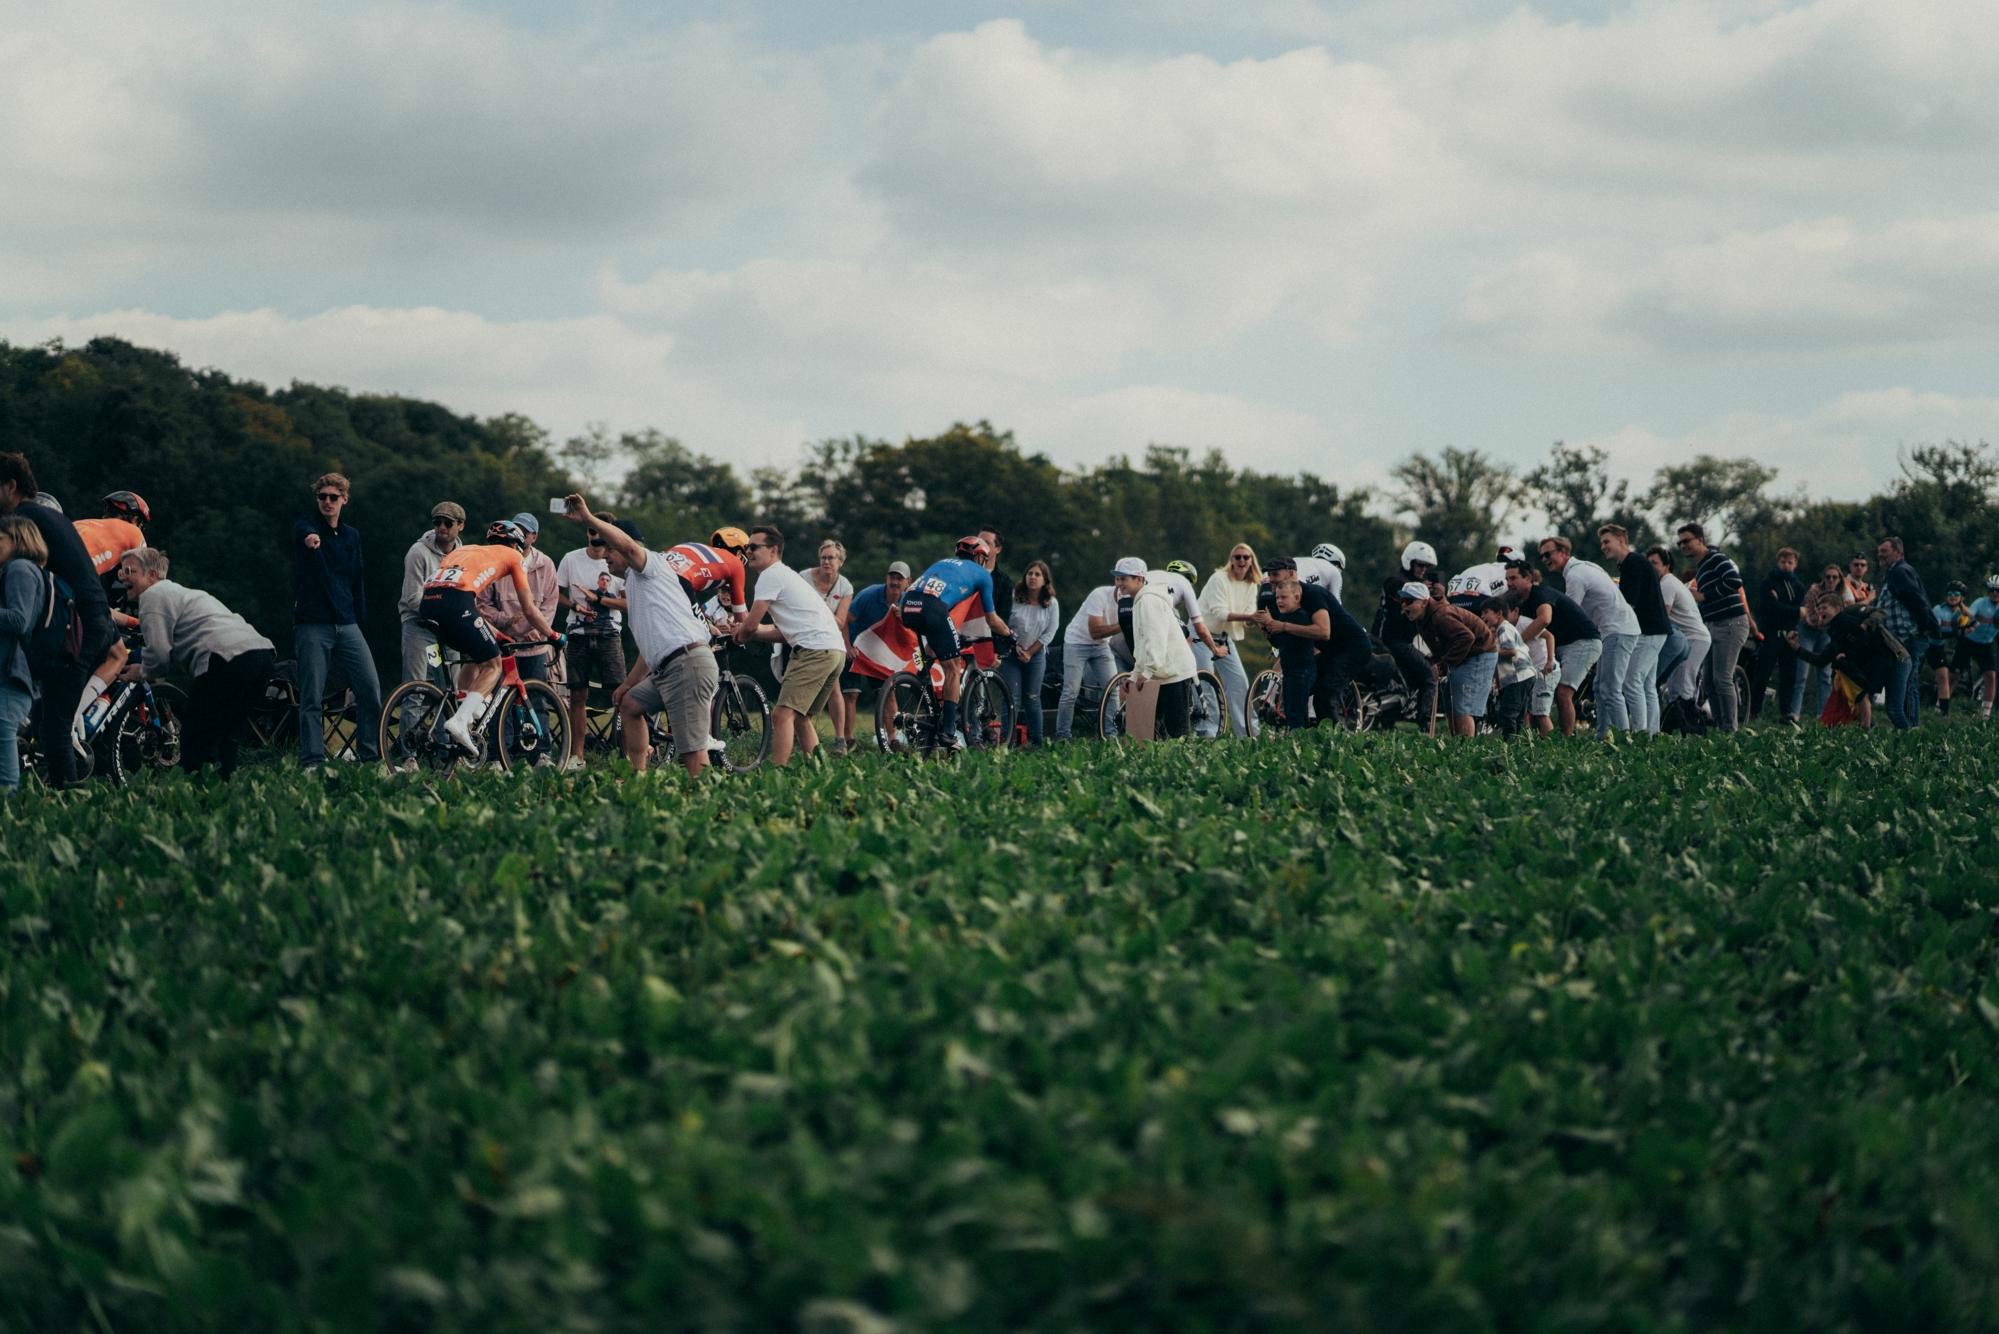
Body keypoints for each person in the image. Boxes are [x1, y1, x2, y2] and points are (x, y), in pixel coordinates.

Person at [563, 500, 717, 778]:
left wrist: (588, 518)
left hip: (687, 664)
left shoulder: (650, 565)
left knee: (691, 751)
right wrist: (628, 684)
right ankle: (638, 777)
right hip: (668, 666)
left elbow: (630, 548)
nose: (605, 555)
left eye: (610, 549)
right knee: (631, 704)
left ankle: (708, 805)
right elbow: (651, 648)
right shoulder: (633, 586)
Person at [0, 453, 117, 787]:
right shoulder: (45, 516)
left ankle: (69, 800)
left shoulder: (24, 519)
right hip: (87, 621)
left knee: (55, 727)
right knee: (45, 719)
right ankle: (49, 790)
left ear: (10, 486)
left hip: (77, 629)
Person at [115, 547, 276, 779]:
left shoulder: (153, 595)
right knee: (226, 736)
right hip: (261, 654)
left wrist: (139, 671)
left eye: (130, 570)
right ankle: (225, 796)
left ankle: (199, 799)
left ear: (152, 575)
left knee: (195, 739)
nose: (124, 577)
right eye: (121, 572)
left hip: (227, 658)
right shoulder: (181, 594)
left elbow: (159, 655)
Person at [419, 520, 561, 758]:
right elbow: (529, 609)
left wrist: (496, 634)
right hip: (457, 602)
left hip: (429, 603)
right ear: (516, 545)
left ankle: (466, 704)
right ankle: (461, 719)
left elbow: (469, 608)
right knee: (493, 664)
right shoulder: (514, 557)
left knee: (476, 652)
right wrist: (553, 635)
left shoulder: (465, 550)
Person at [735, 526, 849, 764]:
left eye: (754, 547)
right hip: (833, 650)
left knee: (782, 714)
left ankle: (778, 774)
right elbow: (786, 634)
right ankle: (820, 770)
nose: (749, 551)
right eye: (747, 547)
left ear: (774, 550)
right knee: (801, 718)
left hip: (815, 651)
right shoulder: (786, 575)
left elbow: (750, 625)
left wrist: (740, 634)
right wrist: (750, 633)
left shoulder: (770, 575)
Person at [291, 472, 383, 768]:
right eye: (322, 497)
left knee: (369, 690)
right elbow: (300, 528)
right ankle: (312, 761)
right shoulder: (308, 526)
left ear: (344, 499)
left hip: (347, 623)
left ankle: (369, 758)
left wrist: (360, 621)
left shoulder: (351, 536)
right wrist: (309, 538)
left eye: (333, 497)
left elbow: (358, 581)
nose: (327, 502)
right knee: (312, 696)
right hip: (312, 623)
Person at [897, 536, 1013, 751]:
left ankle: (921, 691)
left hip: (907, 604)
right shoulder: (982, 575)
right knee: (952, 667)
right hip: (932, 608)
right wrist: (1009, 634)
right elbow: (992, 619)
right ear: (979, 557)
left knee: (934, 648)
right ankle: (948, 733)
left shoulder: (942, 563)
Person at [68, 491, 152, 745]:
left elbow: (102, 605)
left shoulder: (85, 526)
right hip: (78, 596)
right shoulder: (133, 535)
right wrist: (145, 622)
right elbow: (149, 586)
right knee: (118, 655)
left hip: (52, 591)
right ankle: (70, 718)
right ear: (135, 520)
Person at [1540, 535, 1638, 737]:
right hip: (1616, 629)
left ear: (1564, 552)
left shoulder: (1576, 576)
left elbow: (1570, 615)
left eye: (1548, 554)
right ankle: (1603, 737)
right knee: (1601, 689)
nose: (1545, 559)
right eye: (1542, 557)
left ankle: (1625, 740)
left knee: (1610, 689)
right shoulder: (1585, 567)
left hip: (1616, 630)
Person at [554, 518, 627, 770]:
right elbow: (556, 593)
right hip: (578, 634)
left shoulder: (618, 562)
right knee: (577, 695)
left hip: (609, 634)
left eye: (601, 531)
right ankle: (577, 756)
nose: (595, 535)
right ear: (587, 531)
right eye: (592, 530)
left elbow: (628, 603)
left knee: (620, 695)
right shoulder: (571, 559)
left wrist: (599, 601)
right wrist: (575, 606)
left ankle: (626, 753)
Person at [1506, 559, 1600, 737]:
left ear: (1528, 578)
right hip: (1562, 645)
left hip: (1583, 641)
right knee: (1537, 690)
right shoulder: (1520, 602)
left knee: (1563, 692)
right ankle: (1538, 737)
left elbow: (1544, 619)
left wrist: (1517, 643)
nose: (1509, 583)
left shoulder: (1540, 593)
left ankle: (1565, 741)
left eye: (1513, 578)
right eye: (1507, 579)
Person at [1592, 525, 1669, 735]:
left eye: (1607, 541)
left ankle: (1639, 735)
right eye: (1602, 543)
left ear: (1622, 540)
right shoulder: (1633, 563)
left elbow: (1627, 605)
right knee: (1645, 684)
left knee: (1631, 681)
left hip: (1648, 630)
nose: (1603, 547)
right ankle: (1650, 735)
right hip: (1655, 629)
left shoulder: (1632, 563)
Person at [1398, 582, 1497, 738]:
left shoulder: (1441, 616)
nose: (1404, 606)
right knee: (1451, 704)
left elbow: (1466, 638)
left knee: (1462, 705)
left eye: (1409, 601)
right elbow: (1441, 645)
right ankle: (1457, 745)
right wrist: (1436, 662)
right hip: (1464, 655)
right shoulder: (1421, 619)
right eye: (1402, 601)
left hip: (1480, 652)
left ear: (1424, 602)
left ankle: (1467, 750)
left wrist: (1443, 665)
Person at [1676, 523, 1750, 732]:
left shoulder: (1716, 559)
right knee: (1708, 681)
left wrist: (1704, 596)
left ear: (1700, 539)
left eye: (1687, 541)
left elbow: (1734, 581)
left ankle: (1730, 729)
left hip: (1731, 623)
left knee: (1722, 678)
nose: (1683, 545)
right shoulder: (1701, 567)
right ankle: (1719, 724)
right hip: (1713, 624)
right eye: (1680, 543)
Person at [1788, 606, 1905, 728]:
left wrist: (1865, 625)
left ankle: (1904, 733)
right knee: (1858, 697)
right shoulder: (1835, 634)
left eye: (1824, 606)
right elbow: (1821, 660)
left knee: (1890, 707)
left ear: (1837, 608)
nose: (1819, 611)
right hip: (1864, 670)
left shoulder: (1849, 617)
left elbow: (1877, 617)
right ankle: (1867, 728)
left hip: (1893, 659)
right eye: (1818, 607)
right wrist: (1797, 649)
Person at [477, 513, 559, 684]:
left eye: (525, 532)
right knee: (500, 700)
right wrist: (507, 622)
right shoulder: (494, 563)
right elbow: (483, 604)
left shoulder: (546, 564)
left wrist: (537, 629)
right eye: (516, 530)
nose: (519, 534)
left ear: (534, 537)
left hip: (535, 646)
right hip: (504, 646)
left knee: (536, 699)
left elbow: (550, 604)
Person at [0, 514, 48, 794]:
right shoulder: (19, 569)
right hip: (12, 669)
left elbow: (20, 620)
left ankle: (9, 802)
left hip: (15, 671)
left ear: (17, 540)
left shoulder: (20, 568)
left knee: (3, 732)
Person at [1124, 560, 1198, 738]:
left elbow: (1156, 639)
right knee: (1153, 735)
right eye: (1118, 579)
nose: (1118, 584)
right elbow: (1142, 644)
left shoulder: (1149, 601)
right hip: (1161, 674)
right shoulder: (1140, 602)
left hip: (1175, 673)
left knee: (1177, 736)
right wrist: (1135, 675)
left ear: (1139, 579)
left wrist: (1147, 671)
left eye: (1123, 579)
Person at [1376, 540, 1442, 734]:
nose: (1423, 569)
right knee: (1429, 676)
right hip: (1394, 641)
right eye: (1420, 565)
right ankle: (1425, 725)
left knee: (1407, 678)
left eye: (1427, 566)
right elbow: (1406, 604)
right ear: (1409, 562)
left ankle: (1392, 717)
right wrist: (1424, 590)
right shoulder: (1396, 582)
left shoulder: (1406, 584)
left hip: (1394, 640)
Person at [841, 561, 912, 740]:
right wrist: (848, 647)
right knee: (851, 694)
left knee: (888, 692)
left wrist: (903, 619)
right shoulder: (869, 595)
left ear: (908, 582)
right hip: (855, 645)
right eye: (892, 577)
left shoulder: (910, 602)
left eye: (899, 578)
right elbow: (844, 620)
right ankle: (847, 740)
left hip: (878, 652)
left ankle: (893, 739)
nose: (895, 582)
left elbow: (912, 636)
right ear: (886, 578)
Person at [398, 501, 464, 689]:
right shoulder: (418, 552)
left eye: (448, 523)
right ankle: (411, 719)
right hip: (419, 625)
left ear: (460, 525)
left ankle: (446, 718)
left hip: (449, 628)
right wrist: (444, 613)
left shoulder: (463, 555)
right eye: (437, 522)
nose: (441, 527)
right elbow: (412, 598)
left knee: (452, 690)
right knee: (415, 689)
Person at [1197, 543, 1260, 736]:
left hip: (1224, 637)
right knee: (1207, 682)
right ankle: (1208, 734)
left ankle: (1249, 734)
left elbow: (1248, 614)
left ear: (1251, 561)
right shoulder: (1219, 579)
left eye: (1245, 557)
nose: (1241, 561)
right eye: (1237, 557)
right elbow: (1220, 613)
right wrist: (1250, 617)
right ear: (1231, 560)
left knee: (1239, 683)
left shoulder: (1252, 584)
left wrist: (1258, 620)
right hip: (1201, 633)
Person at [1252, 574, 1327, 729]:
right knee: (1291, 710)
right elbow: (1280, 643)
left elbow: (1291, 639)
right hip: (1290, 671)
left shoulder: (1300, 616)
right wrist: (1267, 628)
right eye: (1277, 597)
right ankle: (1296, 739)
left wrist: (1272, 623)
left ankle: (1301, 741)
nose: (1279, 601)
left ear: (1297, 597)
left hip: (1302, 671)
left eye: (1283, 597)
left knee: (1297, 712)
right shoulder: (1286, 617)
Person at [1649, 546, 1711, 733]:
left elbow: (1663, 616)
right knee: (1675, 688)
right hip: (1689, 638)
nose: (1651, 567)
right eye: (1648, 563)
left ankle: (1693, 729)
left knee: (1683, 687)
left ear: (1667, 565)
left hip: (1694, 638)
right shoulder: (1669, 582)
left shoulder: (1667, 583)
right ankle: (1676, 728)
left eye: (1655, 563)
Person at [1873, 535, 1931, 730]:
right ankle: (1907, 726)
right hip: (1901, 639)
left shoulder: (1901, 571)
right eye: (1879, 551)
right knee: (1905, 682)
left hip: (1909, 638)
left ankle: (1911, 728)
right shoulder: (1892, 572)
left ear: (1897, 552)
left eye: (1884, 552)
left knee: (1908, 683)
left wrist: (1922, 629)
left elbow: (1918, 602)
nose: (1880, 555)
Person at [999, 561, 1058, 745]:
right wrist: (1016, 646)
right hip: (1011, 652)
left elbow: (1050, 631)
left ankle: (1037, 742)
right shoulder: (1015, 597)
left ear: (1045, 580)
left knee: (1032, 697)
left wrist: (1030, 652)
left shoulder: (1051, 604)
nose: (1032, 577)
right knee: (1011, 697)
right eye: (1030, 573)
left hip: (1036, 653)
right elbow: (1004, 622)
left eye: (1037, 574)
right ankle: (1007, 741)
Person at [1749, 548, 1807, 724]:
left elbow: (1802, 611)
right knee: (1763, 672)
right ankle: (1754, 710)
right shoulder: (1769, 582)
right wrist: (1794, 610)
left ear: (1795, 564)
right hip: (1771, 632)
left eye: (1790, 562)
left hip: (1790, 633)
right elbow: (1770, 608)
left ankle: (1786, 712)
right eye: (1783, 562)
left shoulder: (1798, 586)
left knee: (1789, 675)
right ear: (1778, 562)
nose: (1786, 566)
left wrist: (1790, 609)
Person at [1057, 579, 1119, 741]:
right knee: (1071, 692)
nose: (1122, 583)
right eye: (1119, 579)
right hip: (1077, 642)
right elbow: (1095, 632)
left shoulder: (1137, 601)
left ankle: (1110, 735)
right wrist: (1124, 624)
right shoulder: (1099, 595)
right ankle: (1063, 736)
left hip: (1101, 646)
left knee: (1112, 688)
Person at [812, 540, 857, 750]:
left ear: (840, 562)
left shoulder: (845, 586)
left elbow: (840, 621)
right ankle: (802, 732)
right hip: (803, 638)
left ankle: (840, 739)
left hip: (829, 640)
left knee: (834, 687)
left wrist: (818, 608)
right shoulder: (804, 578)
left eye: (831, 558)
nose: (826, 562)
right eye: (823, 557)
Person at [1479, 596, 1537, 736]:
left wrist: (1490, 651)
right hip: (1524, 676)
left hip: (1518, 676)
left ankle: (1509, 744)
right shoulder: (1503, 629)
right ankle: (1519, 744)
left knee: (1508, 714)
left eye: (1486, 612)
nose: (1482, 616)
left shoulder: (1503, 628)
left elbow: (1511, 651)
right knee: (1518, 715)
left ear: (1498, 613)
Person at [1798, 563, 1847, 718]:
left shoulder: (1842, 594)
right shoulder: (1814, 591)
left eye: (1835, 577)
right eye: (1828, 577)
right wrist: (1818, 621)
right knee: (1802, 674)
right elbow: (1807, 612)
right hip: (1808, 630)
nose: (1831, 580)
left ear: (1840, 579)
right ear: (1823, 578)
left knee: (1825, 675)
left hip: (1826, 633)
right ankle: (1794, 712)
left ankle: (1823, 714)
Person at [1929, 582, 1976, 717]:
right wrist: (1958, 633)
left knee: (1947, 676)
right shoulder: (1938, 610)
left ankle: (1943, 713)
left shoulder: (1962, 613)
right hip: (1929, 645)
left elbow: (1975, 624)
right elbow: (1936, 633)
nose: (1953, 597)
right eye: (1950, 594)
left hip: (1940, 646)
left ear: (1962, 598)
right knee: (1942, 675)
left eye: (1957, 594)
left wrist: (1969, 625)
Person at [1968, 575, 1999, 721]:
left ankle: (1985, 713)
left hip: (1987, 644)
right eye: (1992, 590)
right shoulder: (1980, 602)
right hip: (1970, 641)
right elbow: (1970, 614)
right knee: (1955, 674)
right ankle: (1942, 706)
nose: (1995, 593)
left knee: (1991, 676)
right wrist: (1969, 622)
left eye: (1998, 590)